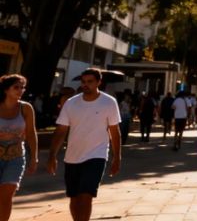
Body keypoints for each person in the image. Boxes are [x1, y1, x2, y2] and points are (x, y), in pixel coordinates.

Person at [47, 68, 121, 221]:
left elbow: (114, 131)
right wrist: (52, 155)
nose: (86, 85)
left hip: (97, 155)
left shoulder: (109, 102)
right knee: (74, 197)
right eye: (83, 82)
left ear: (99, 82)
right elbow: (61, 130)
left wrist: (117, 157)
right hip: (73, 157)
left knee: (86, 195)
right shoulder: (71, 103)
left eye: (90, 82)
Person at [0, 75, 37, 221]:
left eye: (22, 87)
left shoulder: (26, 108)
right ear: (6, 90)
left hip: (15, 157)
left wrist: (34, 157)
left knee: (6, 195)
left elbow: (31, 133)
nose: (20, 90)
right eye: (16, 87)